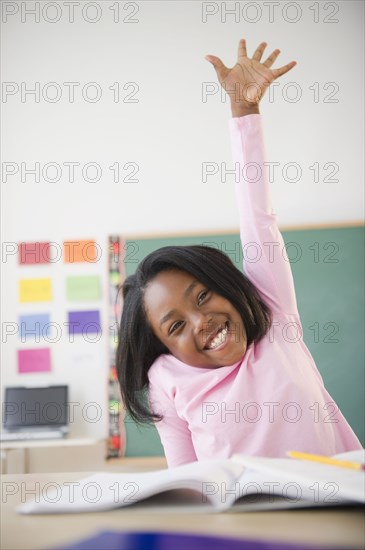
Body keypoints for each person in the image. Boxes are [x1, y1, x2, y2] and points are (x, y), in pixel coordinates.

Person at [116, 39, 363, 468]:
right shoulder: (166, 379)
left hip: (339, 505)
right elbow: (188, 480)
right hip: (247, 529)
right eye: (176, 325)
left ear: (226, 288)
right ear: (164, 347)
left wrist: (244, 113)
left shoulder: (273, 316)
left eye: (202, 296)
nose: (202, 320)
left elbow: (258, 219)